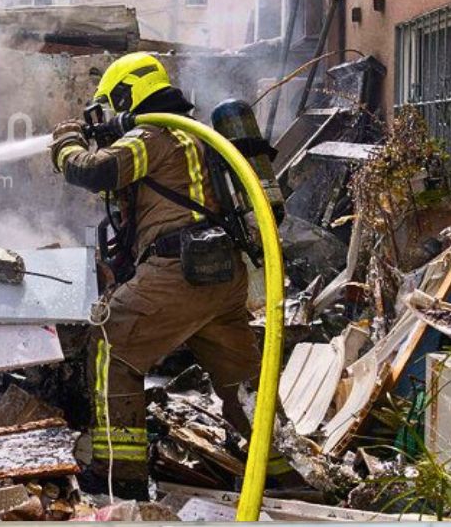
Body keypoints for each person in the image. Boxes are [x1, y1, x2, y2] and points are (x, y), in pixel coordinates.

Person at [49, 51, 290, 499]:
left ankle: (120, 472)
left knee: (111, 343)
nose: (110, 116)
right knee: (241, 378)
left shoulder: (153, 135)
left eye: (113, 104)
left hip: (177, 273)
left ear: (129, 94)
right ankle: (283, 469)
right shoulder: (197, 136)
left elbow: (96, 171)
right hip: (223, 276)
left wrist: (65, 145)